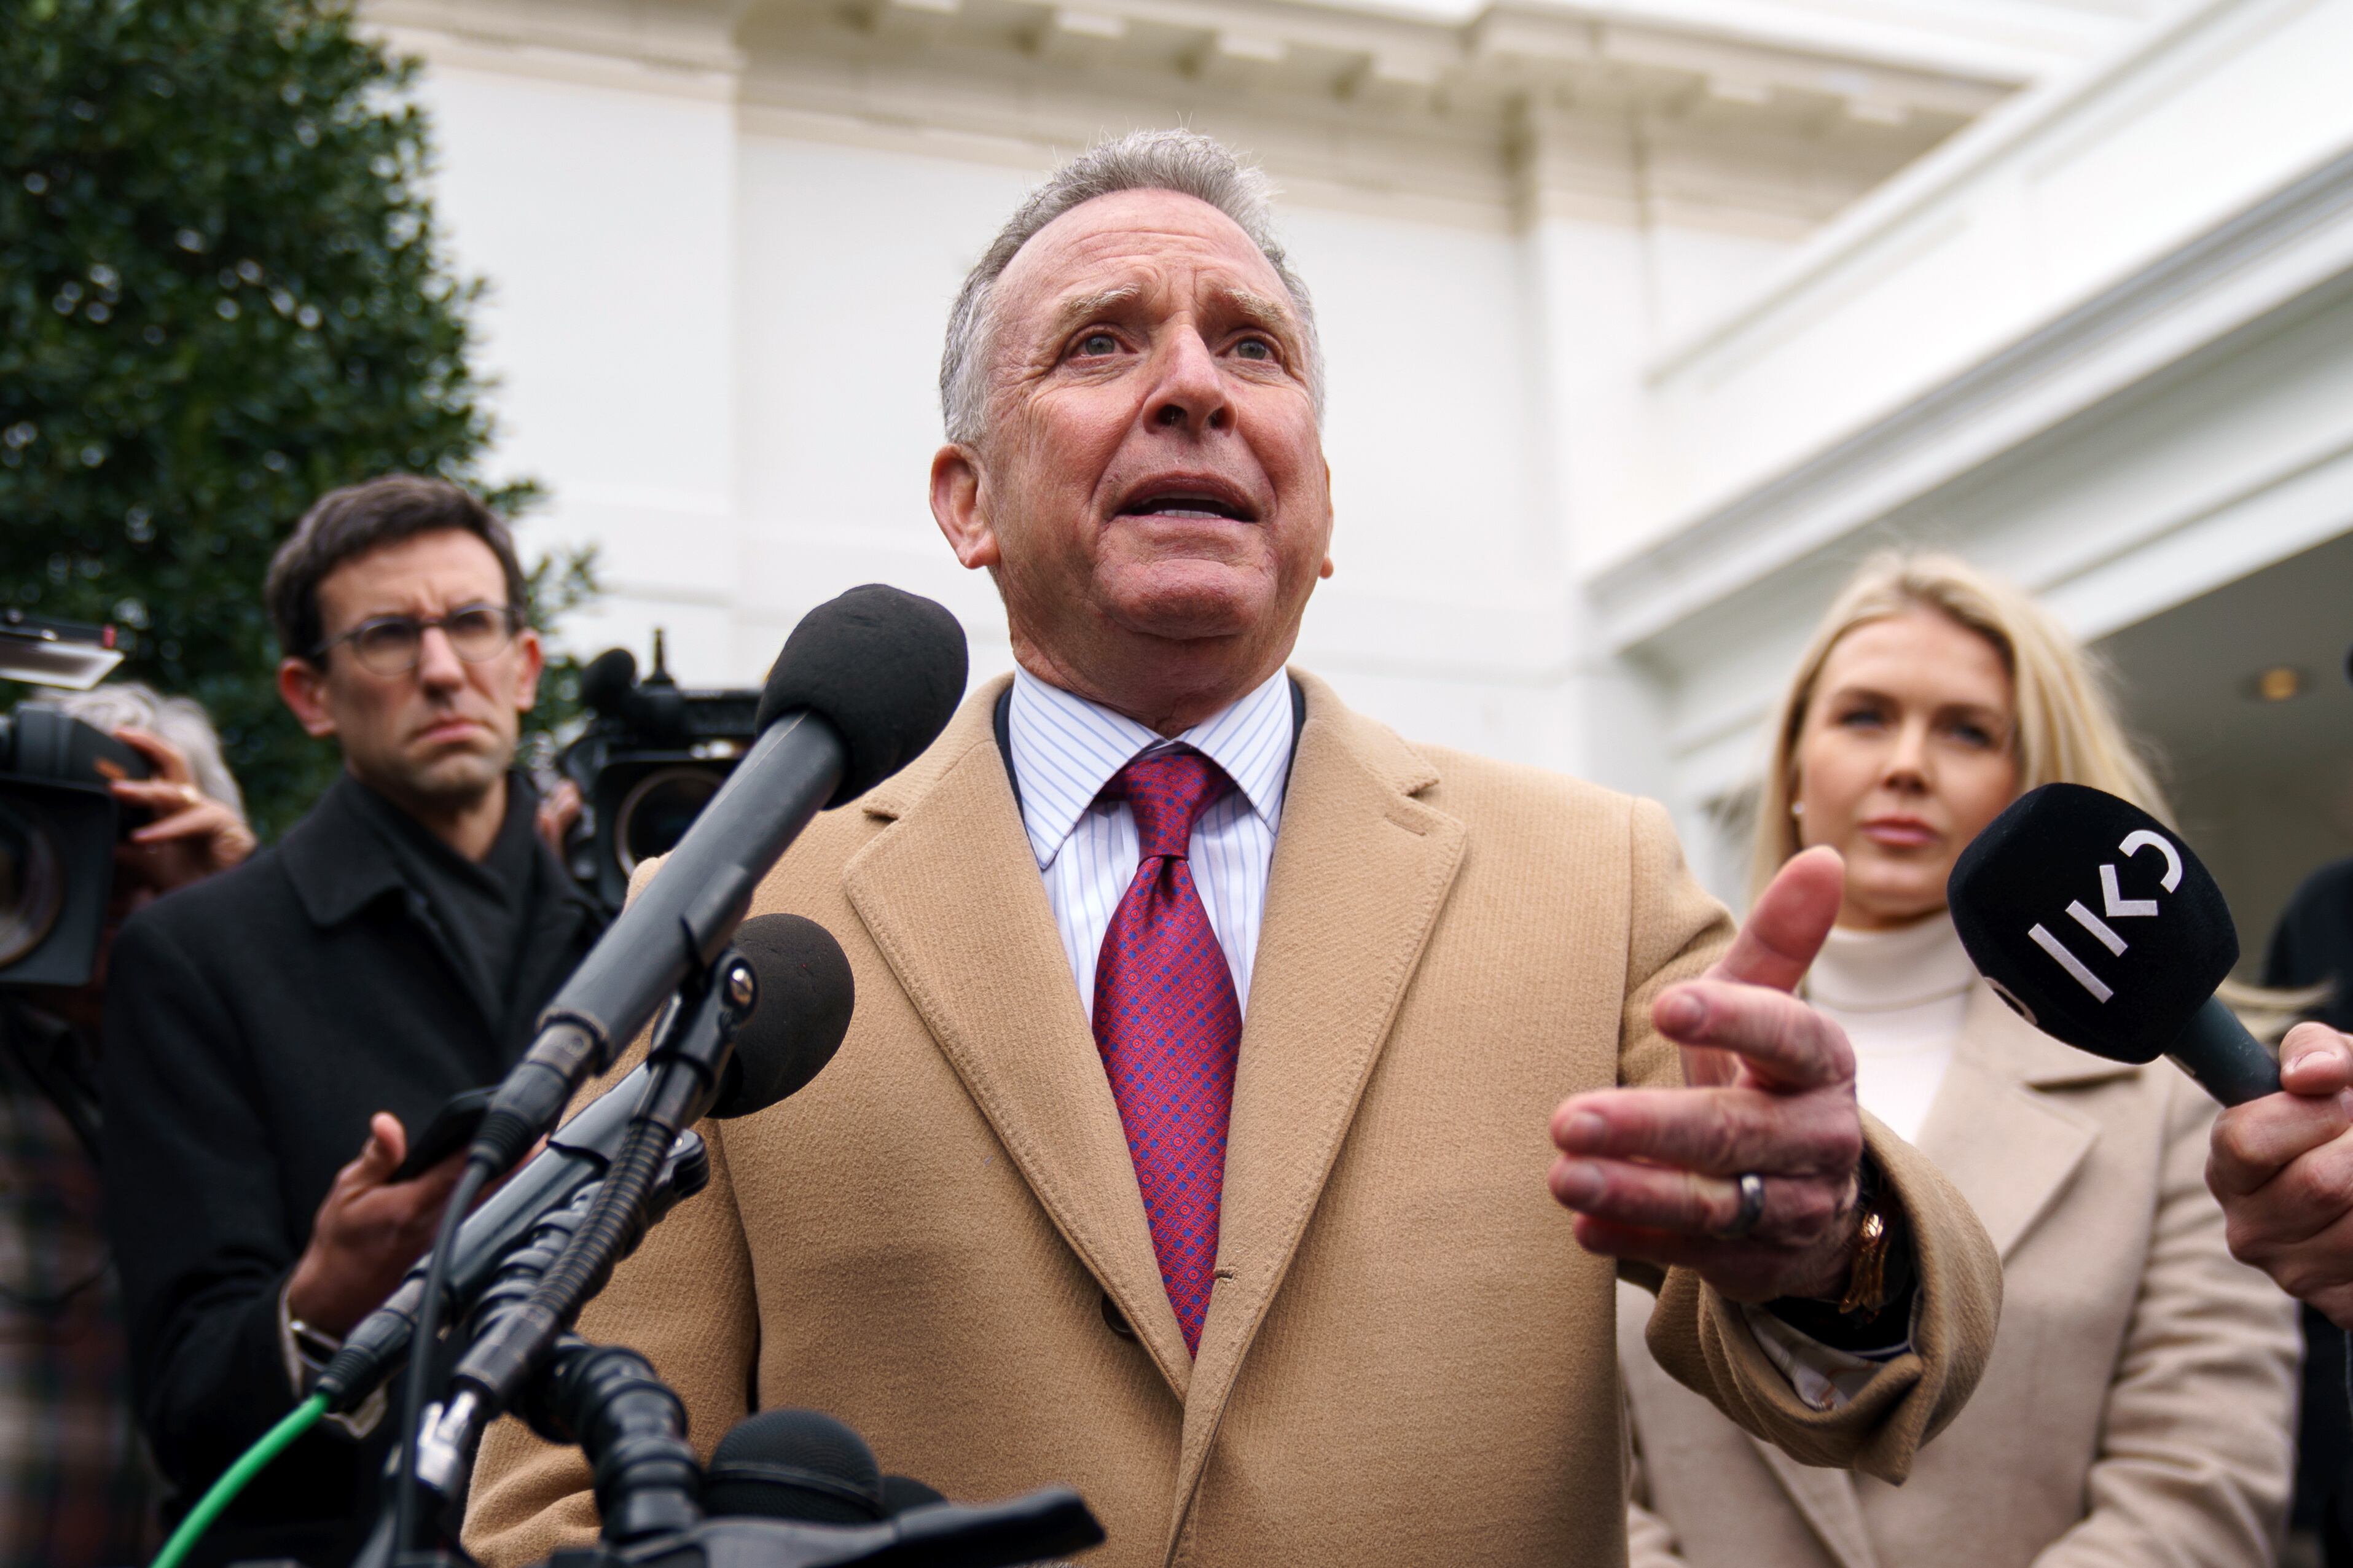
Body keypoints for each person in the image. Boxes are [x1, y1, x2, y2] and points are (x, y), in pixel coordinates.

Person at [464, 130, 2002, 1568]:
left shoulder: (1588, 879)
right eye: (1101, 342)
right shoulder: (736, 916)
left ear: (1321, 502)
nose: (1195, 386)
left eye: (1252, 347)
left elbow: (1885, 1337)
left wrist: (1832, 1241)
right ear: (966, 500)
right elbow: (553, 1494)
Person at [1616, 555, 2299, 1568]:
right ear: (1793, 767)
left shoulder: (2169, 1108)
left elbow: (2199, 1486)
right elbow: (1574, 1471)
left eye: (1967, 730)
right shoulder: (1645, 1058)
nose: (1906, 764)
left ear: (2030, 787)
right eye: (1863, 717)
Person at [102, 475, 604, 1568]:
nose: (441, 667)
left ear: (524, 666)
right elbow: (186, 1406)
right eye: (387, 635)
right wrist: (325, 1298)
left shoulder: (638, 943)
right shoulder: (195, 957)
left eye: (470, 621)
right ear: (309, 693)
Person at [0, 681, 251, 1568]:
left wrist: (241, 912)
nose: (111, 888)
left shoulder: (248, 1075)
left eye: (144, 851)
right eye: (75, 848)